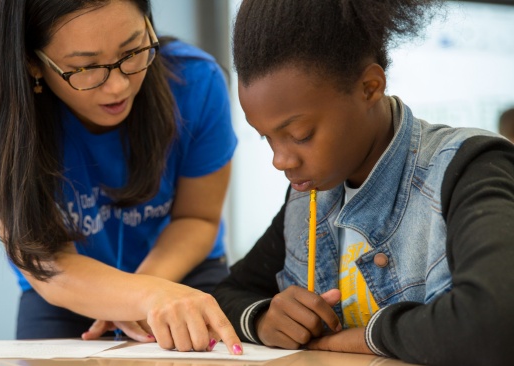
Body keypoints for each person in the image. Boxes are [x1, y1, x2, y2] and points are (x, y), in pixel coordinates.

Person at [213, 0, 514, 365]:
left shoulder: (468, 169)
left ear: (370, 87)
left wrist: (368, 337)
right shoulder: (309, 197)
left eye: (300, 134)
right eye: (266, 138)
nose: (281, 160)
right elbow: (225, 293)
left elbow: (493, 321)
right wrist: (263, 319)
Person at [0, 0, 243, 354]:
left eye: (134, 50)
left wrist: (141, 295)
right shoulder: (5, 128)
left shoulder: (196, 82)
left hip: (181, 275)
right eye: (86, 67)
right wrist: (137, 298)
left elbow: (196, 218)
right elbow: (47, 263)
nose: (118, 86)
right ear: (32, 62)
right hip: (66, 291)